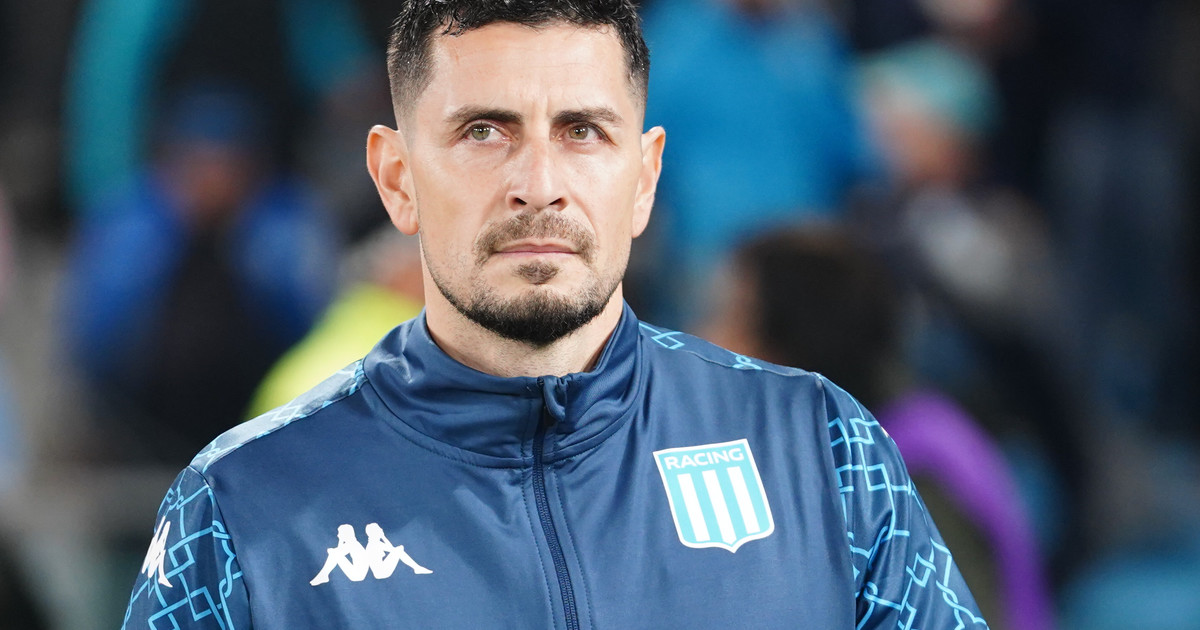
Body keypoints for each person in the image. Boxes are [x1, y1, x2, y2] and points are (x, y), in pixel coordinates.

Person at [122, 1, 986, 628]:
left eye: (582, 131)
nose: (538, 185)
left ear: (644, 177)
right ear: (395, 178)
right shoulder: (239, 506)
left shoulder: (823, 451)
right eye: (484, 132)